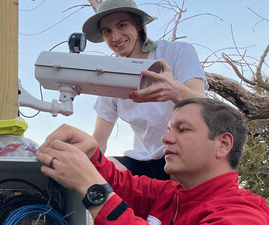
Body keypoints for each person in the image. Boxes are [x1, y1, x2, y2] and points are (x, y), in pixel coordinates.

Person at [36, 98, 269, 225]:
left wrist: (93, 191)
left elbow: (104, 191)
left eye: (183, 129)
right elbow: (120, 184)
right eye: (168, 130)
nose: (165, 139)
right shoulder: (170, 194)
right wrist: (93, 154)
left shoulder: (245, 217)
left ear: (223, 144)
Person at [82, 0, 208, 179]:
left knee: (176, 191)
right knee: (104, 170)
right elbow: (98, 142)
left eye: (122, 25)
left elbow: (205, 107)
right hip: (142, 160)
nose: (116, 37)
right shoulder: (111, 76)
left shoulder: (177, 52)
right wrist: (75, 161)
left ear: (138, 25)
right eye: (107, 31)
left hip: (183, 154)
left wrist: (175, 91)